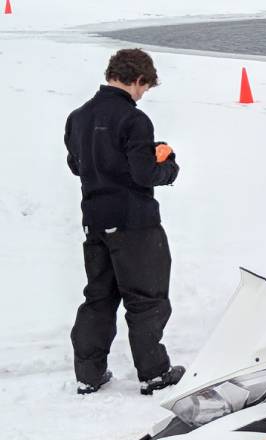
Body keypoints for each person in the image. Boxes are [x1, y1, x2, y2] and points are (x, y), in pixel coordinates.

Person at [65, 49, 185, 395]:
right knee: (146, 298)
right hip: (134, 224)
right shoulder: (134, 120)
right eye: (144, 87)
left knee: (99, 296)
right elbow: (145, 174)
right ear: (137, 80)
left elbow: (77, 165)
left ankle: (89, 374)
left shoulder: (78, 117)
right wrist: (169, 163)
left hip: (95, 221)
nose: (143, 94)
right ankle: (154, 374)